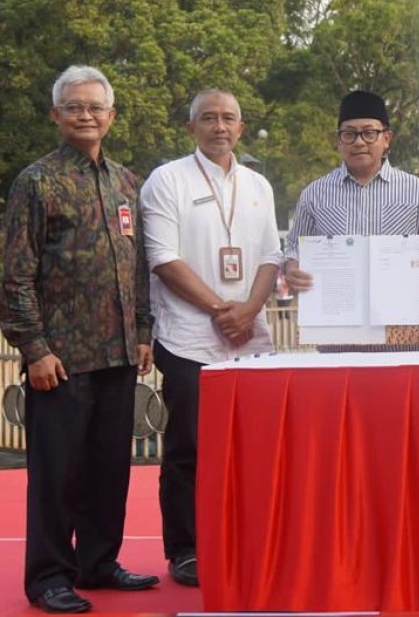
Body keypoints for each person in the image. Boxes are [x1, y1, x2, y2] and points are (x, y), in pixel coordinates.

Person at [0, 65, 158, 614]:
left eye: (95, 107)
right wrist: (34, 347)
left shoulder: (126, 182)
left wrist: (141, 332)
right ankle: (48, 576)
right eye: (74, 106)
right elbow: (16, 275)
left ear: (111, 116)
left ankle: (98, 561)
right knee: (56, 473)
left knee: (109, 467)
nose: (86, 115)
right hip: (61, 359)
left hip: (118, 353)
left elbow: (136, 265)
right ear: (56, 115)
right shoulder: (36, 181)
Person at [140, 89, 282, 589]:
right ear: (191, 128)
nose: (219, 127)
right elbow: (163, 257)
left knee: (251, 446)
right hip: (188, 338)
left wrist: (248, 311)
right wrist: (221, 310)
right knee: (188, 448)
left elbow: (271, 257)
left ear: (241, 128)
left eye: (228, 119)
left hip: (250, 339)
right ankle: (186, 548)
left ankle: (249, 536)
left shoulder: (259, 185)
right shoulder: (167, 180)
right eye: (208, 119)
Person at [282, 90, 419, 351]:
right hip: (339, 342)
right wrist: (291, 269)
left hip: (402, 343)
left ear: (386, 138)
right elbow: (293, 247)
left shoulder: (417, 191)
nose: (359, 142)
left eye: (369, 133)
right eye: (349, 134)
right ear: (338, 141)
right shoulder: (315, 194)